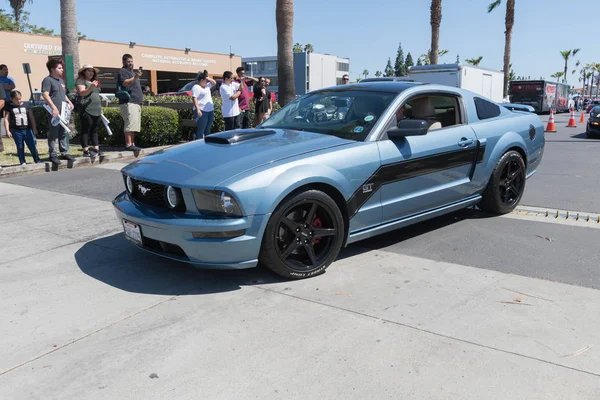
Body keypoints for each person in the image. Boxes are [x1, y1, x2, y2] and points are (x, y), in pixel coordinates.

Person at [41, 58, 74, 166]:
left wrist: (69, 102)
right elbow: (45, 94)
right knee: (53, 133)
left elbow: (63, 94)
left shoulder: (61, 81)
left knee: (63, 132)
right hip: (54, 112)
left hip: (63, 111)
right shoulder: (47, 80)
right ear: (52, 69)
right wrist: (53, 107)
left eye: (62, 68)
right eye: (59, 68)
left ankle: (64, 152)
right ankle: (53, 154)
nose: (62, 70)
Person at [3, 90, 41, 165]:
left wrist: (34, 129)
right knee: (20, 146)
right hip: (16, 130)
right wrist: (7, 130)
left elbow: (31, 117)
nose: (18, 101)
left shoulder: (27, 105)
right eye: (16, 99)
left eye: (20, 99)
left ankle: (37, 159)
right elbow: (6, 118)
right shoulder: (9, 106)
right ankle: (22, 161)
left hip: (27, 129)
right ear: (11, 99)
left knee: (32, 145)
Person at [117, 54, 143, 151]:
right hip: (128, 101)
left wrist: (140, 103)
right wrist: (136, 77)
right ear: (123, 62)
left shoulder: (132, 72)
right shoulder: (122, 71)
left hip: (136, 102)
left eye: (131, 61)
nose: (130, 63)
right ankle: (128, 144)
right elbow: (125, 82)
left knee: (134, 124)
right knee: (130, 123)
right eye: (128, 61)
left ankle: (132, 143)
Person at [76, 64, 103, 157]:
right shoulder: (81, 81)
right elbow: (82, 93)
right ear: (84, 72)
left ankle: (96, 149)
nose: (91, 72)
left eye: (92, 71)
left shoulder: (95, 82)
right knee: (86, 129)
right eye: (88, 70)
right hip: (86, 109)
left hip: (97, 109)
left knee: (95, 129)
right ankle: (86, 151)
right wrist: (91, 87)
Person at [191, 70, 216, 139]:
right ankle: (198, 144)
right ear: (201, 80)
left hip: (210, 110)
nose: (207, 82)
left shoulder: (207, 86)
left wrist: (208, 78)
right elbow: (194, 98)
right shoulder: (196, 87)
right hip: (202, 111)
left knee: (207, 129)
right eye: (206, 80)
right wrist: (198, 109)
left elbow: (214, 83)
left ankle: (207, 144)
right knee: (201, 129)